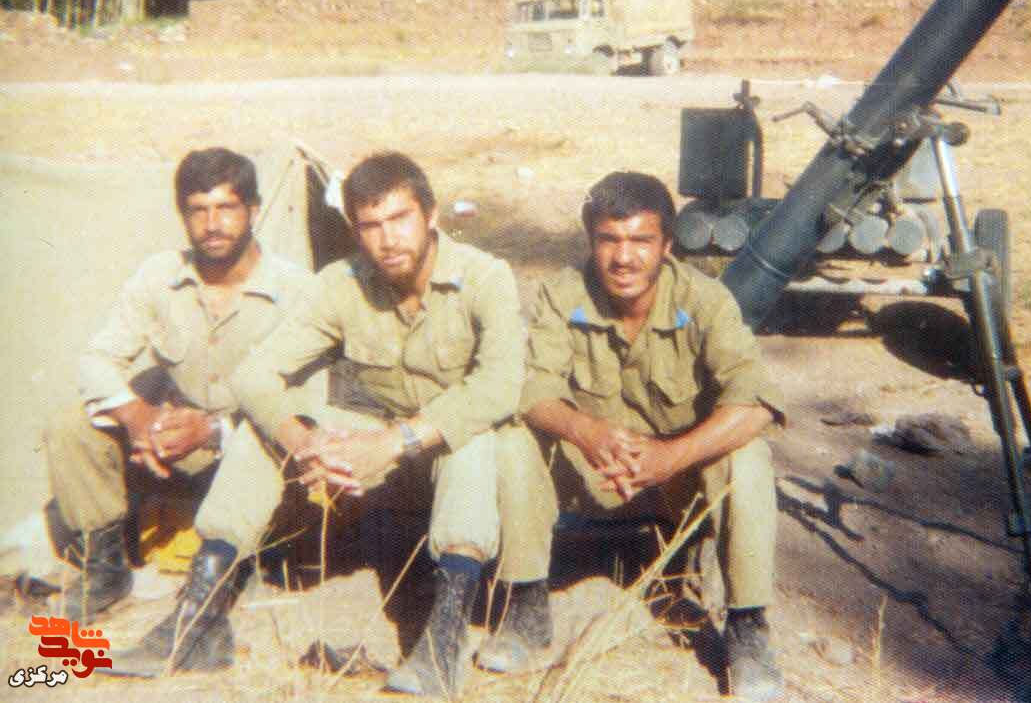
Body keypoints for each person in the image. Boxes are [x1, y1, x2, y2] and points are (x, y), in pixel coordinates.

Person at [102, 152, 524, 698]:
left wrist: (394, 441)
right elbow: (255, 373)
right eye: (370, 226)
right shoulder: (342, 283)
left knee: (471, 435)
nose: (388, 240)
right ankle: (198, 619)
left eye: (400, 219)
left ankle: (443, 642)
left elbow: (499, 386)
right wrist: (301, 439)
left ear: (432, 215)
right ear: (354, 230)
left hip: (444, 460)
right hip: (373, 462)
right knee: (263, 428)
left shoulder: (485, 277)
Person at [486, 171, 786, 701]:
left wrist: (673, 456)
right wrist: (584, 430)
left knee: (749, 456)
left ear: (667, 245)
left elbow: (757, 402)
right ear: (591, 241)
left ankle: (747, 626)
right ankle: (526, 603)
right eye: (609, 240)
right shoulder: (562, 294)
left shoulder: (705, 300)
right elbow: (532, 390)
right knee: (513, 439)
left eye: (641, 241)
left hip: (676, 486)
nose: (624, 258)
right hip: (590, 474)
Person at [44, 148, 314, 623]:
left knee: (273, 438)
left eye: (226, 207)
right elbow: (97, 358)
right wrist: (138, 416)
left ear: (253, 210)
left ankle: (244, 561)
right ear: (183, 216)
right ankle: (106, 570)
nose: (212, 224)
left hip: (253, 447)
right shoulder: (160, 275)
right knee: (71, 426)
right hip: (175, 445)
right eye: (198, 210)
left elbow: (306, 402)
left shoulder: (297, 290)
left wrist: (212, 431)